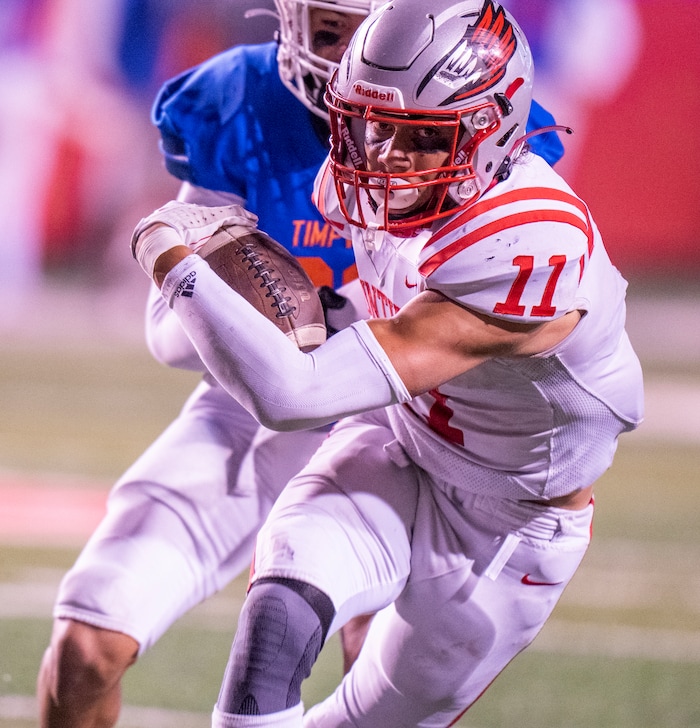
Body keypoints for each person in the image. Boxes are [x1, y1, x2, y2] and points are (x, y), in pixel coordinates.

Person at [38, 1, 566, 726]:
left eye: (360, 26)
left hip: (398, 422)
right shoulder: (242, 98)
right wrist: (244, 304)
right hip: (250, 402)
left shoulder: (472, 120)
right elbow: (169, 333)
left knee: (376, 667)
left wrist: (325, 314)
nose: (345, 52)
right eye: (325, 28)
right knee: (86, 645)